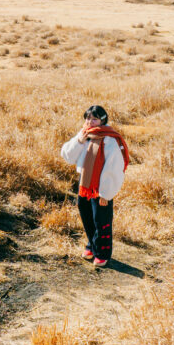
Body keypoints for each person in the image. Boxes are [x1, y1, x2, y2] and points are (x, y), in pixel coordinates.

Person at [59, 105, 129, 267]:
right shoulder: (85, 135)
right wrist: (79, 141)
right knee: (87, 216)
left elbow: (113, 167)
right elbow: (68, 156)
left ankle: (102, 253)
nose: (90, 122)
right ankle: (92, 245)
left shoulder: (110, 139)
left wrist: (106, 193)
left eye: (94, 119)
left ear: (103, 120)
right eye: (88, 118)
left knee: (101, 220)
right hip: (85, 184)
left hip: (101, 188)